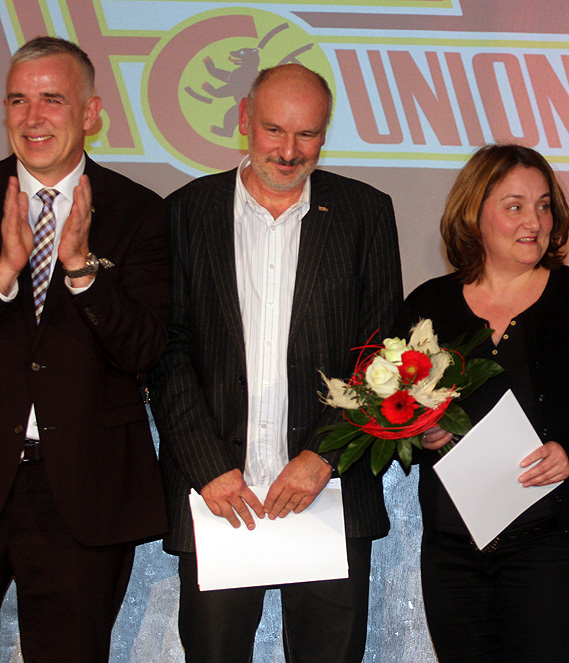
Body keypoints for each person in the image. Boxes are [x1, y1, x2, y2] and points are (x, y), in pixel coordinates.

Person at [149, 64, 402, 663]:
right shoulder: (183, 212)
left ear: (325, 134)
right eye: (274, 130)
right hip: (219, 499)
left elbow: (382, 353)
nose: (289, 152)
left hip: (328, 496)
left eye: (307, 134)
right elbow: (167, 351)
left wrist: (323, 457)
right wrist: (209, 467)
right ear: (244, 119)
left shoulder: (365, 213)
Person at [394, 144, 569, 662]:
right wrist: (419, 433)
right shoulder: (428, 305)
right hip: (454, 551)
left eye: (544, 206)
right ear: (474, 214)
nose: (534, 222)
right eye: (515, 206)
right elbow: (393, 412)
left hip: (557, 546)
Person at [0, 36, 169, 661]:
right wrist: (3, 277)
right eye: (17, 100)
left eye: (52, 99)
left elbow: (145, 349)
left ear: (91, 113)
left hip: (81, 489)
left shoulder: (138, 212)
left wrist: (81, 271)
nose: (32, 117)